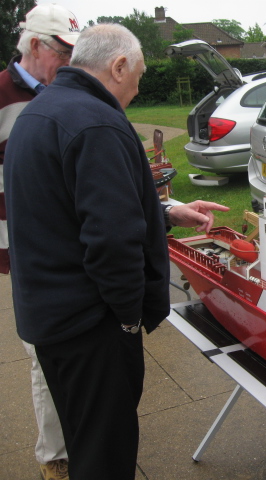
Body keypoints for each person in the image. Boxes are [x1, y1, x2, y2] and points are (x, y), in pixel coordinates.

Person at [4, 23, 229, 480]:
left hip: (50, 322)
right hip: (92, 330)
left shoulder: (41, 111)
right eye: (139, 74)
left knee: (84, 440)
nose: (140, 86)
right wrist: (128, 318)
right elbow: (112, 241)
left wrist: (164, 213)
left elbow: (68, 210)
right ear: (118, 65)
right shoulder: (97, 122)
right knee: (107, 455)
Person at [0, 4, 80, 479]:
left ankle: (84, 437)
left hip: (74, 242)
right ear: (33, 46)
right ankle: (56, 457)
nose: (70, 63)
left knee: (75, 347)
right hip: (24, 248)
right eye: (63, 53)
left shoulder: (68, 93)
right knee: (42, 351)